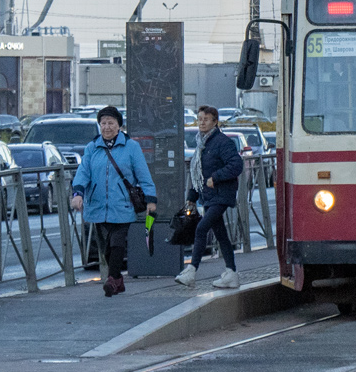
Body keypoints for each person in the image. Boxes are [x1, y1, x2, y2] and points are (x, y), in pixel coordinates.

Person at [71, 106, 157, 297]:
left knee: (117, 242)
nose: (107, 127)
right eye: (103, 123)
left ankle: (111, 280)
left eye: (111, 123)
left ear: (119, 126)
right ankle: (118, 280)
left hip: (122, 203)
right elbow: (83, 172)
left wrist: (151, 199)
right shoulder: (92, 148)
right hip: (98, 205)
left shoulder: (131, 147)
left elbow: (143, 174)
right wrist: (78, 193)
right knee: (107, 248)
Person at [177, 106, 244, 290]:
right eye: (199, 119)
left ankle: (191, 271)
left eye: (206, 119)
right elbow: (199, 174)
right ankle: (231, 274)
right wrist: (192, 196)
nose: (202, 122)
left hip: (221, 195)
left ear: (215, 121)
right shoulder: (201, 143)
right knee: (221, 235)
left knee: (201, 228)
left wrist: (216, 177)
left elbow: (236, 164)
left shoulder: (222, 142)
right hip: (208, 196)